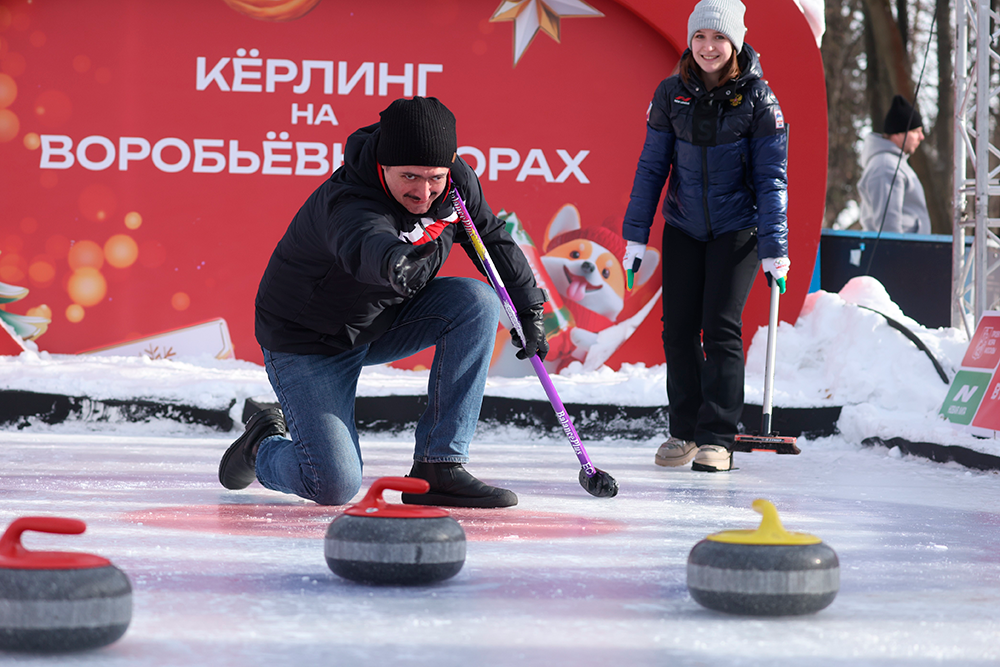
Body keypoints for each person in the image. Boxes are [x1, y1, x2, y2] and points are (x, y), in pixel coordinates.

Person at [218, 96, 548, 507]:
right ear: (384, 166)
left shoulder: (457, 185)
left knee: (476, 302)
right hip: (309, 341)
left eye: (435, 177)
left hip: (382, 321)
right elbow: (364, 240)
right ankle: (262, 445)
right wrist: (394, 263)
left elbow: (491, 238)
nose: (424, 191)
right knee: (332, 484)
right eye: (409, 176)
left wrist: (528, 308)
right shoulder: (351, 198)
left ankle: (439, 466)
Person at [620, 0, 789, 472]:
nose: (708, 47)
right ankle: (685, 432)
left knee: (720, 328)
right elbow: (651, 167)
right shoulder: (671, 93)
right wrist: (635, 236)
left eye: (718, 38)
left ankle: (718, 437)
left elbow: (773, 178)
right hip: (684, 226)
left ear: (733, 42)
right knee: (677, 330)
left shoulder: (759, 99)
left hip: (738, 229)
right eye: (699, 38)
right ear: (690, 42)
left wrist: (776, 248)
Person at [857, 94, 930, 235]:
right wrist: (896, 254)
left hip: (909, 252)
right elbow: (888, 225)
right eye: (915, 131)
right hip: (900, 254)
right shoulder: (886, 166)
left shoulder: (895, 164)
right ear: (898, 134)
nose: (921, 137)